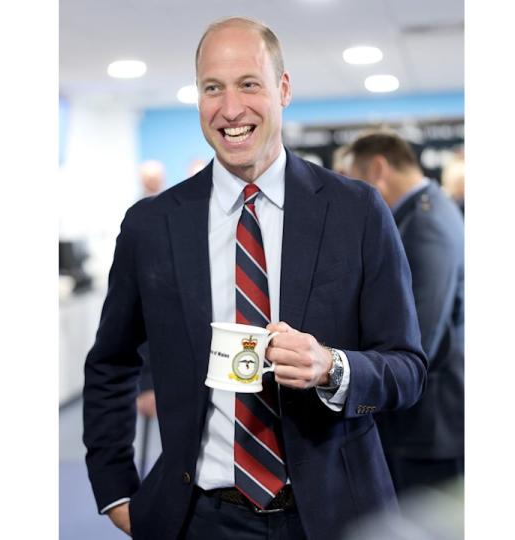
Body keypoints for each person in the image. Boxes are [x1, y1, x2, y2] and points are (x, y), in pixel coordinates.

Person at [83, 17, 427, 540]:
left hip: (335, 513)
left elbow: (407, 368)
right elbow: (110, 363)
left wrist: (332, 367)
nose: (231, 108)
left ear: (283, 89)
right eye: (212, 88)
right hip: (198, 518)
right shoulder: (152, 225)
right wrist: (115, 490)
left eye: (249, 84)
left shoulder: (356, 211)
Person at [347, 132, 464, 494]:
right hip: (421, 421)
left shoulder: (426, 224)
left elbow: (419, 336)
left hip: (428, 426)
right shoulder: (422, 213)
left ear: (379, 168)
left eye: (356, 181)